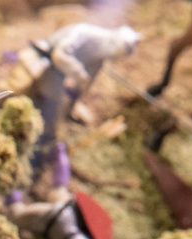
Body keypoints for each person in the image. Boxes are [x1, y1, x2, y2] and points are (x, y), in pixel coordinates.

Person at [26, 24, 141, 163]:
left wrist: (73, 101)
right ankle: (34, 151)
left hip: (60, 78)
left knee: (53, 115)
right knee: (47, 111)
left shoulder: (100, 56)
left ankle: (40, 148)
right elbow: (59, 56)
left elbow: (84, 83)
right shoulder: (85, 34)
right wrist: (78, 73)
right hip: (46, 63)